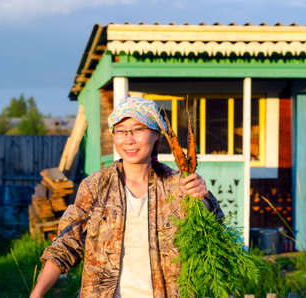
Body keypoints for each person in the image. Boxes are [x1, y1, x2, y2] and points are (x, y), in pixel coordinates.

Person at [30, 97, 224, 298]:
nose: (129, 139)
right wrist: (36, 294)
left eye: (139, 130)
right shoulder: (95, 186)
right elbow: (66, 244)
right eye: (121, 131)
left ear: (156, 135)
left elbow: (214, 233)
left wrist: (203, 197)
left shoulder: (178, 185)